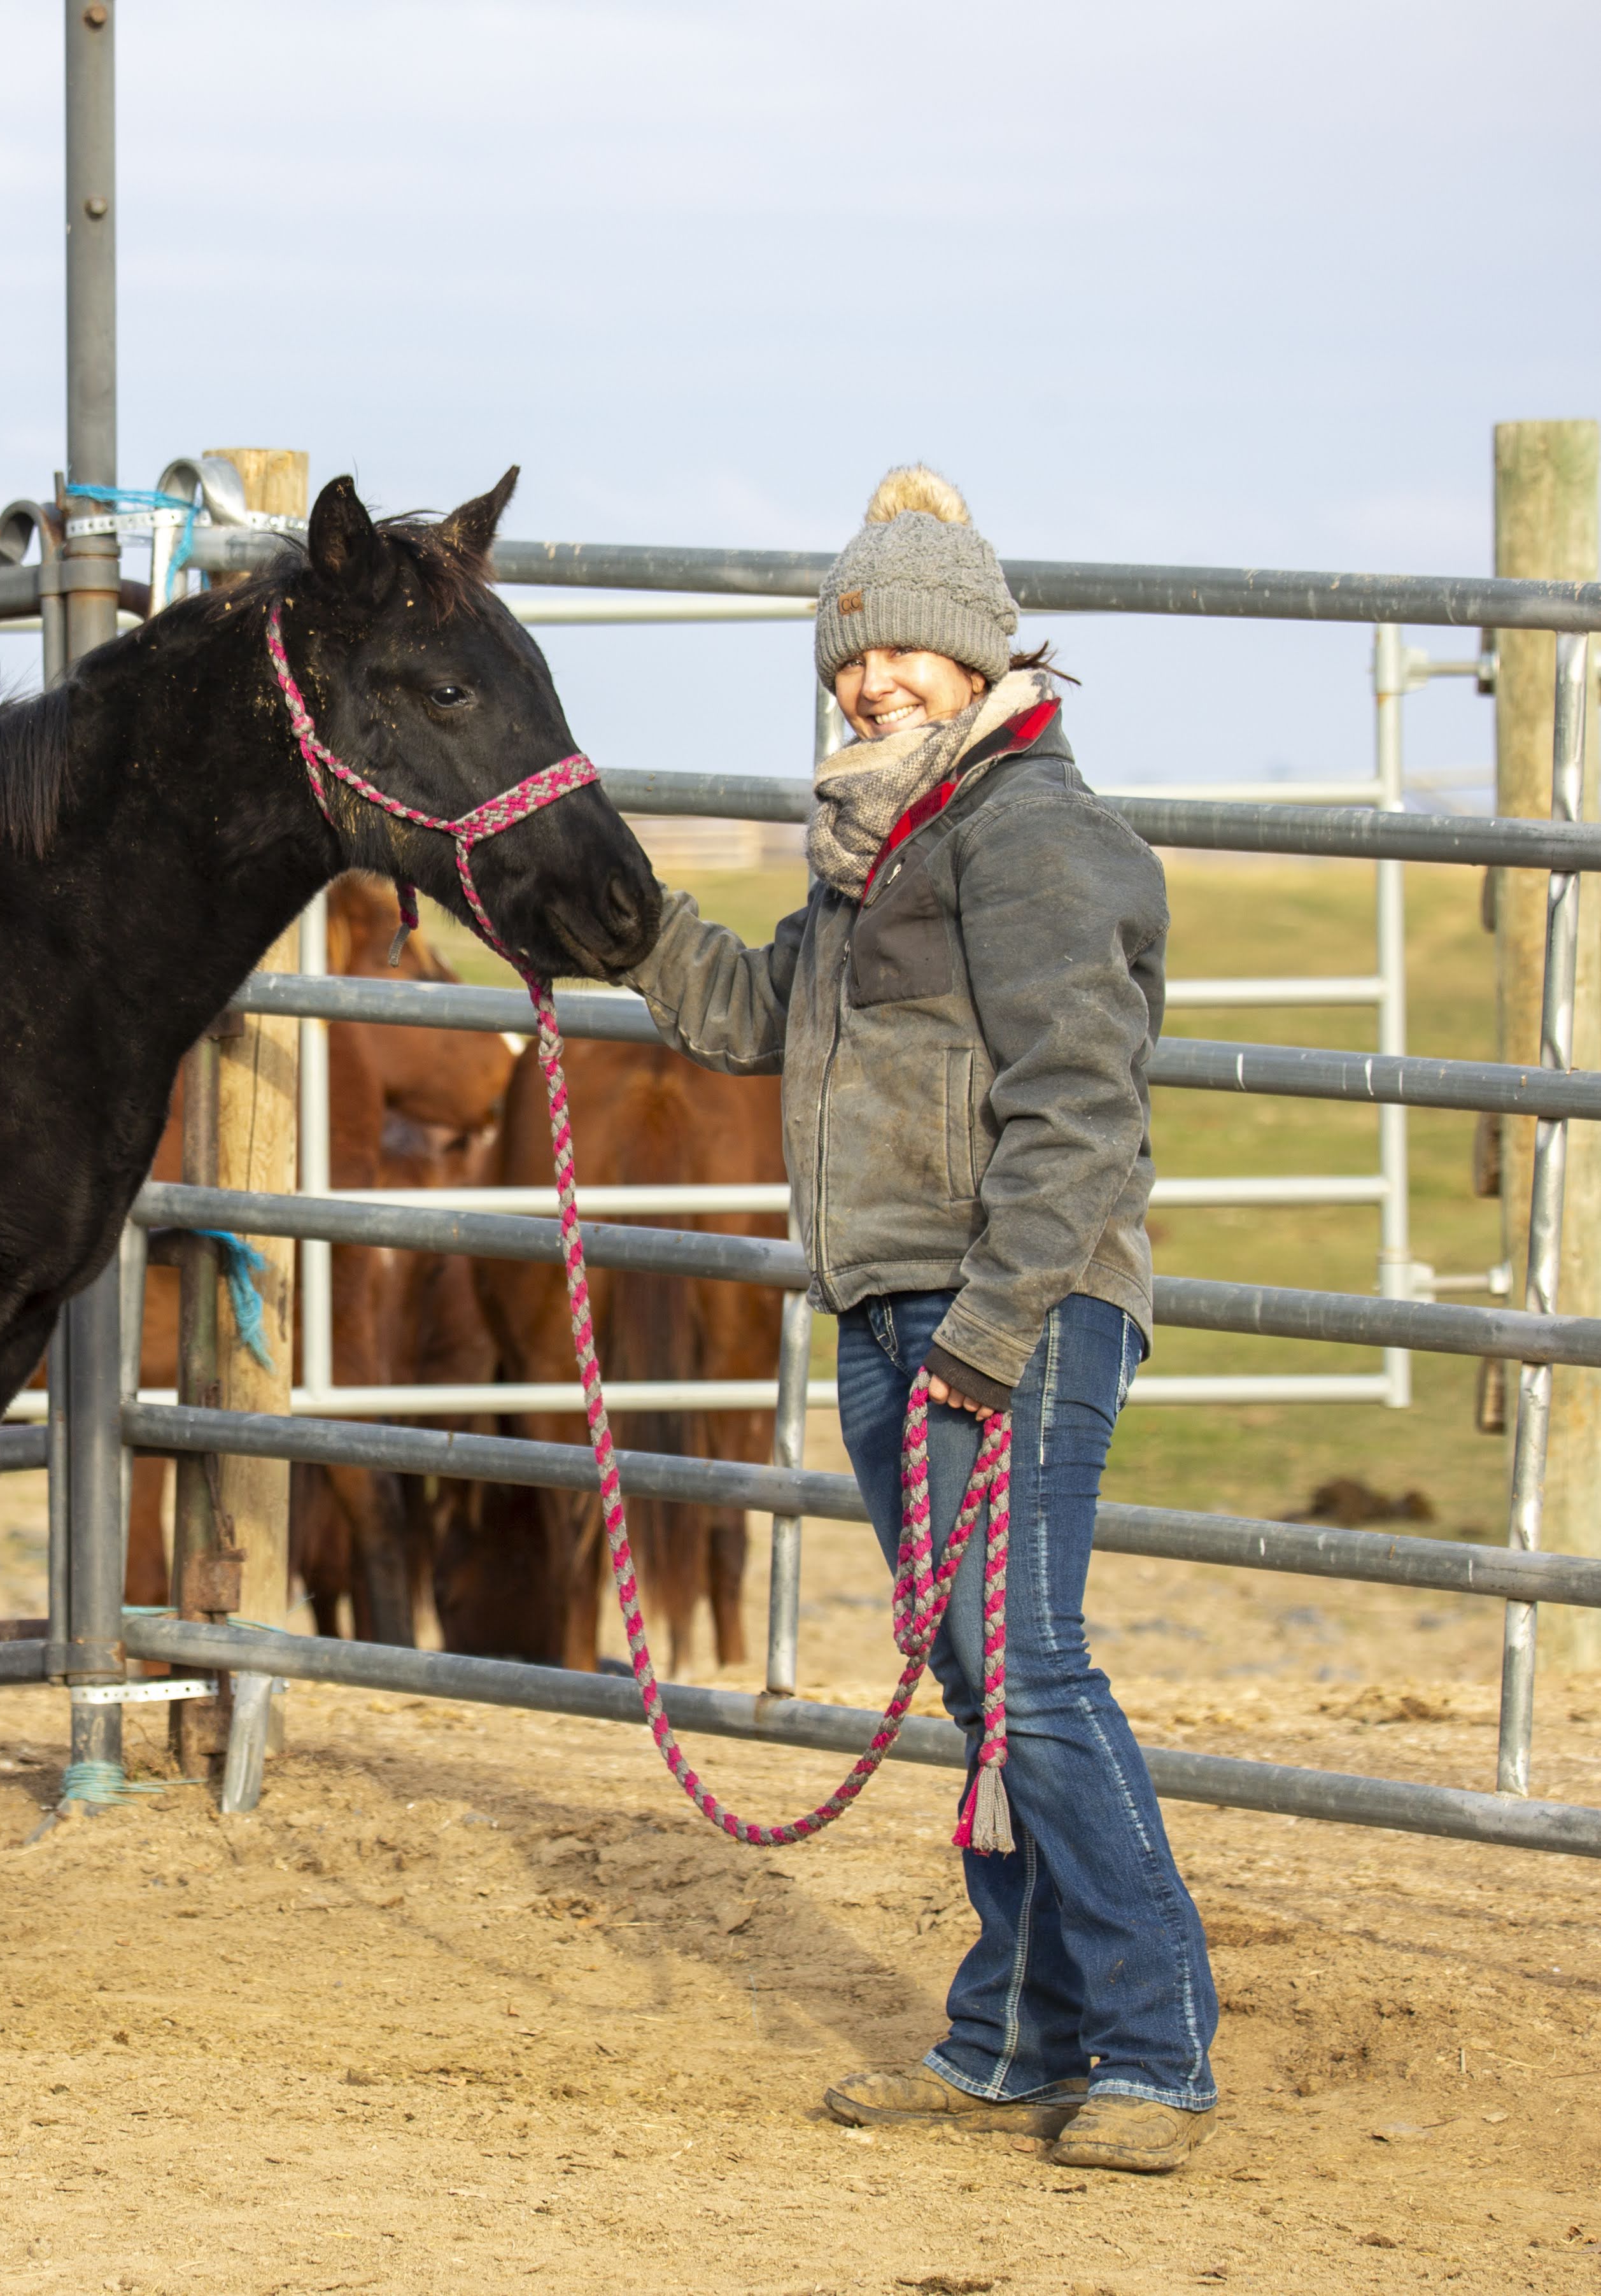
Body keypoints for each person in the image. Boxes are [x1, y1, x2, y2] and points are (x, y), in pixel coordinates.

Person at [612, 465, 1219, 2174]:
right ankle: (1012, 2041)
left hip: (1003, 1312)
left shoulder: (1028, 835)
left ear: (975, 657)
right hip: (893, 1309)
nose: (872, 683)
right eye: (849, 659)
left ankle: (1158, 2048)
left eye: (901, 654)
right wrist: (623, 917)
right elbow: (758, 1018)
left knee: (1028, 1670)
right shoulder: (876, 849)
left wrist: (991, 1330)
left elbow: (1078, 1113)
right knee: (979, 1683)